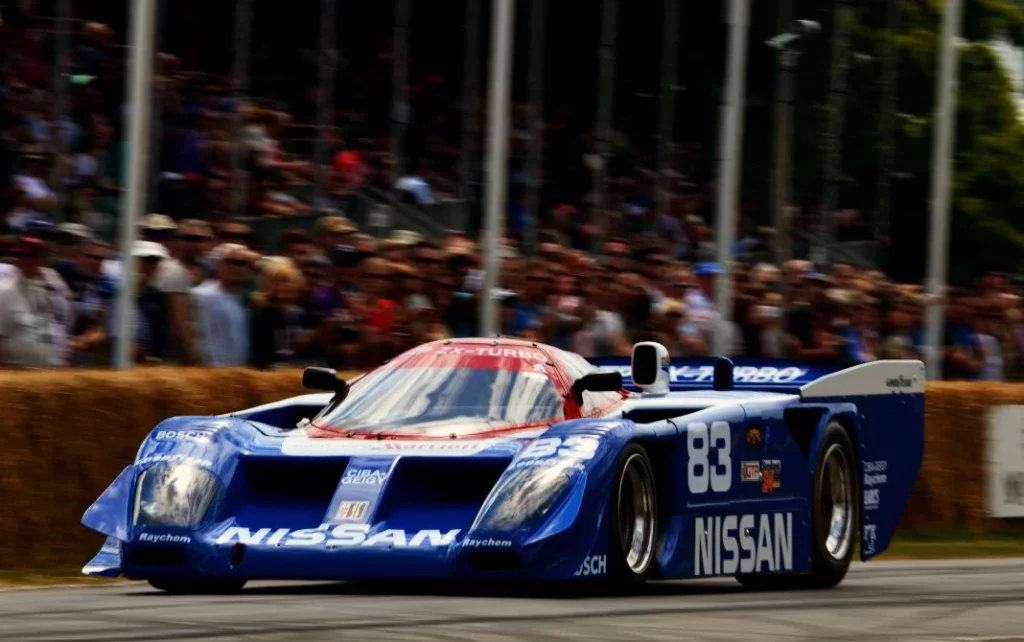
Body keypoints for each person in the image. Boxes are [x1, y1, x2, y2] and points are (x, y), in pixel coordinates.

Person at [0, 237, 68, 367]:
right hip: (15, 369)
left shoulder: (50, 286)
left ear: (42, 258)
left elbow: (58, 325)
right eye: (23, 256)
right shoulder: (5, 291)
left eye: (33, 256)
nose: (27, 260)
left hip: (47, 368)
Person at [191, 243, 251, 366]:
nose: (237, 267)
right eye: (231, 262)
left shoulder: (244, 298)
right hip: (211, 374)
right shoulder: (202, 295)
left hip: (239, 374)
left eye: (242, 263)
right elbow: (199, 340)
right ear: (219, 264)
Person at [249, 260, 312, 369]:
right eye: (275, 282)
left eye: (286, 281)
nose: (281, 287)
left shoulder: (303, 314)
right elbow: (260, 355)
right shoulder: (261, 315)